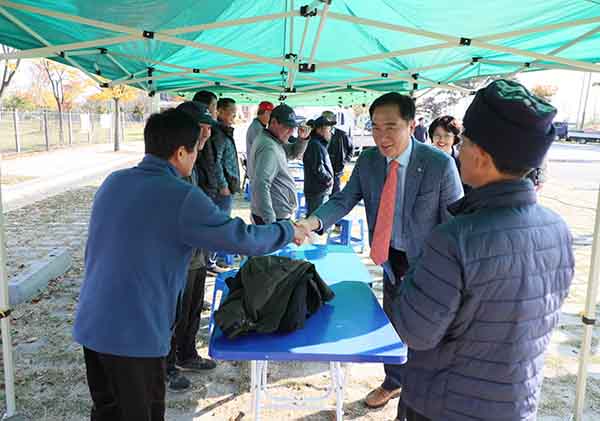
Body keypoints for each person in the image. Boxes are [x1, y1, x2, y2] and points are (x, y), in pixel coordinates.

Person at [73, 108, 308, 421]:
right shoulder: (182, 196)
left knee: (106, 411)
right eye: (197, 150)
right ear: (180, 152)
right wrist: (288, 230)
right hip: (135, 334)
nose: (197, 157)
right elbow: (244, 238)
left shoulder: (114, 182)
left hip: (92, 326)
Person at [389, 79, 574, 421]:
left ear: (483, 156)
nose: (459, 149)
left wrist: (408, 282)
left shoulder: (455, 238)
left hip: (444, 405)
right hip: (515, 403)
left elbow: (414, 331)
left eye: (466, 142)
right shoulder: (558, 228)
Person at [297, 92, 463, 409]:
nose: (382, 136)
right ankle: (394, 381)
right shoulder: (370, 161)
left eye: (391, 127)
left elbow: (455, 223)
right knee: (394, 324)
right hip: (390, 260)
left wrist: (448, 274)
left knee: (428, 334)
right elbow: (344, 200)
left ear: (412, 125)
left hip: (430, 265)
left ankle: (423, 395)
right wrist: (312, 222)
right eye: (375, 127)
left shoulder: (438, 164)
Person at [164, 101, 216, 393]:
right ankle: (167, 365)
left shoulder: (196, 156)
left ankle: (187, 353)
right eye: (202, 126)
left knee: (194, 306)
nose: (207, 132)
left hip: (197, 252)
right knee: (175, 312)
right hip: (180, 254)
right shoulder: (173, 162)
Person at [250, 104, 311, 225]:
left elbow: (293, 153)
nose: (291, 132)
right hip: (274, 217)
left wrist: (302, 139)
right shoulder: (269, 147)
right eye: (287, 127)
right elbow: (261, 184)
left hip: (273, 214)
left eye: (293, 127)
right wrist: (270, 220)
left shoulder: (273, 141)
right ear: (273, 122)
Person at [206, 97, 241, 272]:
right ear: (219, 111)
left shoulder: (223, 131)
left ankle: (214, 258)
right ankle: (210, 261)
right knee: (218, 224)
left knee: (221, 223)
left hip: (226, 186)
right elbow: (215, 162)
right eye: (231, 111)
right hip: (222, 189)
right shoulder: (218, 133)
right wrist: (223, 184)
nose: (234, 114)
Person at [428, 115, 471, 194]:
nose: (441, 140)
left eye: (447, 136)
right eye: (437, 135)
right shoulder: (424, 159)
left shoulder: (465, 162)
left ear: (455, 138)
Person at [303, 115, 336, 215]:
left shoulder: (318, 144)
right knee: (316, 220)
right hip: (317, 191)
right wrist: (328, 179)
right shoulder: (315, 145)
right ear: (320, 130)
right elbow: (318, 168)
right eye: (328, 129)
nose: (330, 132)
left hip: (319, 190)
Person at [322, 110, 354, 195]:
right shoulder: (319, 134)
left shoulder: (342, 135)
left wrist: (344, 161)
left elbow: (351, 150)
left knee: (335, 195)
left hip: (336, 171)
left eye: (327, 120)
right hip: (322, 172)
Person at [246, 101, 274, 177]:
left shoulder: (259, 126)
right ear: (266, 113)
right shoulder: (257, 129)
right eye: (271, 115)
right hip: (257, 172)